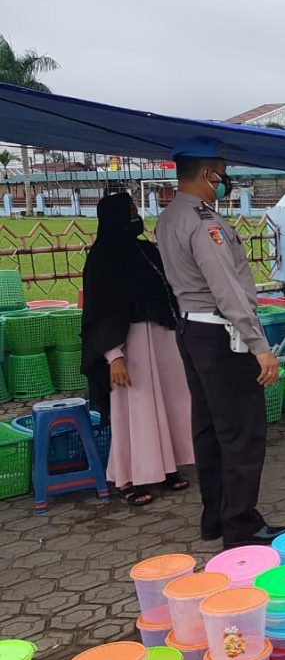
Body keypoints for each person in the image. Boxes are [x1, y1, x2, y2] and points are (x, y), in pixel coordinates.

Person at [157, 137, 285, 548]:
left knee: (210, 428)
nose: (225, 178)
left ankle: (215, 516)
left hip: (192, 330)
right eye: (221, 171)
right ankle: (241, 525)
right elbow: (227, 288)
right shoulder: (204, 222)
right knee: (242, 432)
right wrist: (259, 345)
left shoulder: (169, 217)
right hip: (221, 334)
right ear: (207, 174)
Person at [81, 192, 194, 507]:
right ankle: (126, 477)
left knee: (170, 405)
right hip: (128, 347)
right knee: (135, 411)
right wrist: (113, 356)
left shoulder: (146, 251)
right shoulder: (103, 259)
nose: (135, 216)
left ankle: (167, 467)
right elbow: (99, 312)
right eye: (128, 211)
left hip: (162, 341)